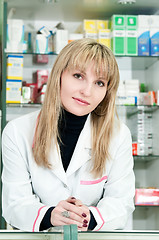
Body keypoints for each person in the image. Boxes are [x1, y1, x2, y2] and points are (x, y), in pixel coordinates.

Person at [2, 38, 135, 232]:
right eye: (78, 76)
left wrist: (88, 217)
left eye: (99, 82)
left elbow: (121, 202)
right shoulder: (17, 131)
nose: (87, 91)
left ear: (107, 91)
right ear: (59, 76)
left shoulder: (118, 135)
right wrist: (51, 215)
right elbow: (14, 204)